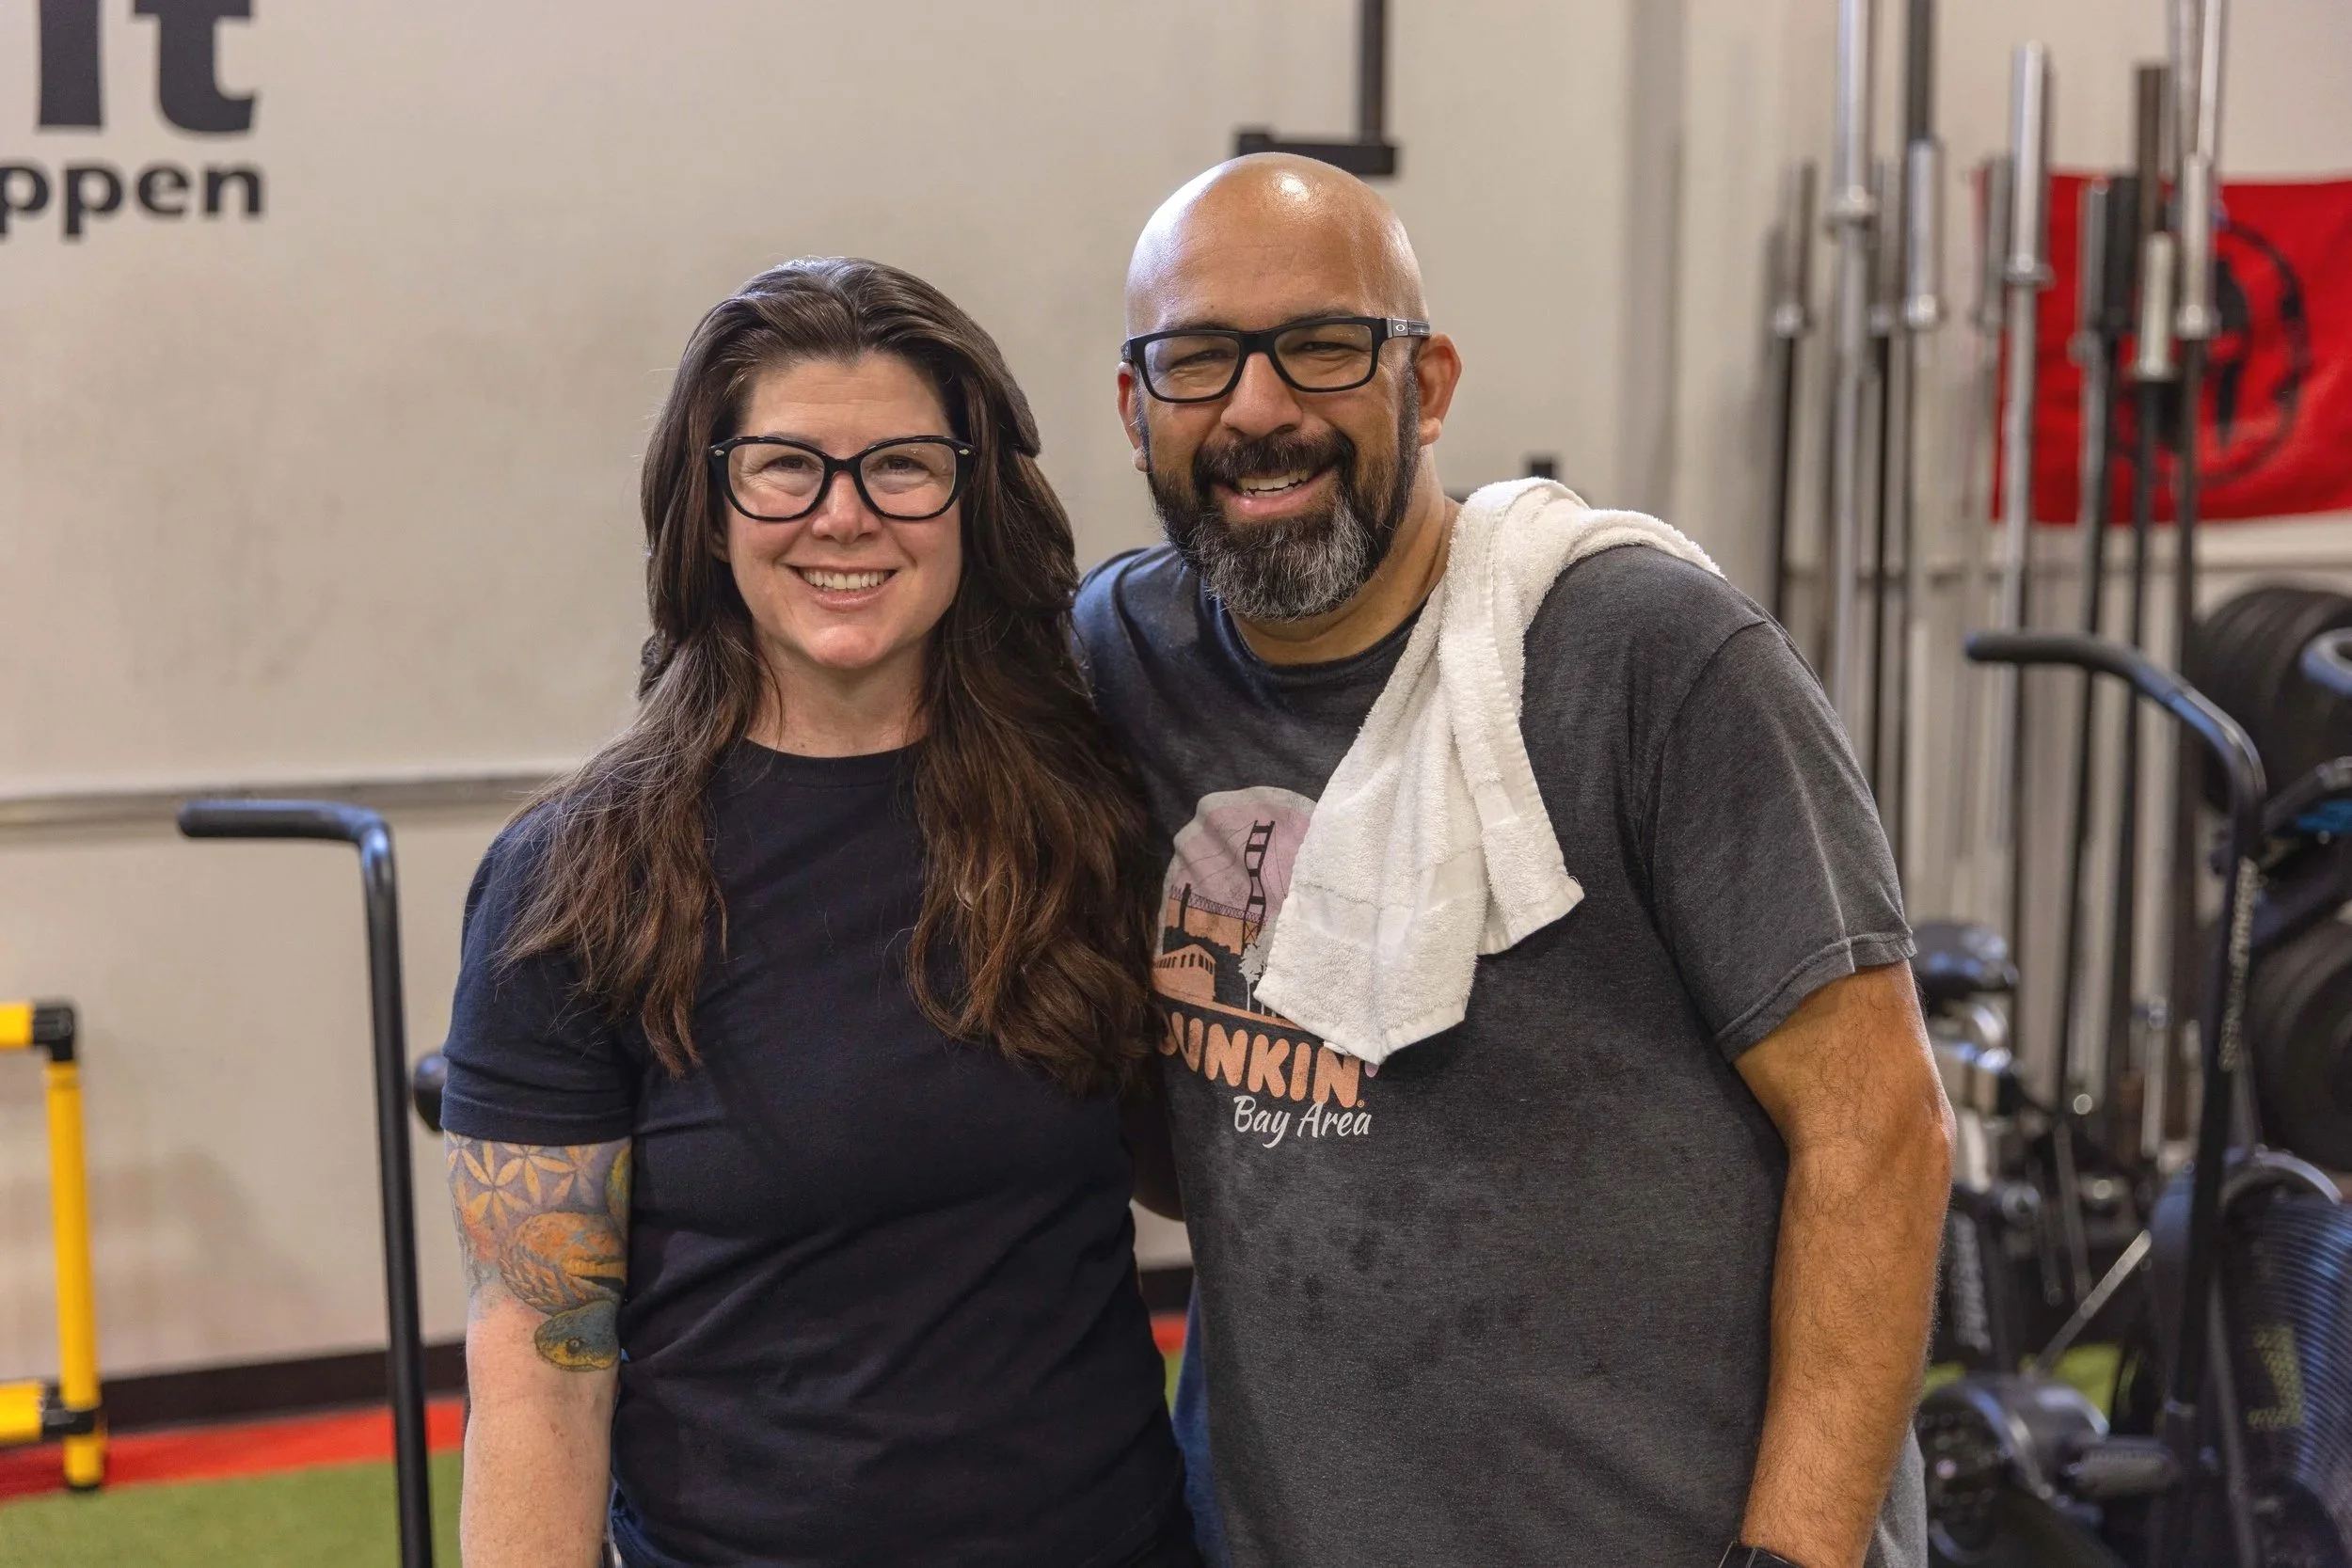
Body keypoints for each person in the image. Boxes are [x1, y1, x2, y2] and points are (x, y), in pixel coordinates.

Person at [1075, 156, 1954, 1568]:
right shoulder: (1120, 663)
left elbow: (1881, 1129)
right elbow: (1205, 1156)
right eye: (1198, 359)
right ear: (1136, 410)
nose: (1257, 407)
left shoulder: (1649, 659)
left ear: (1426, 386)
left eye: (1323, 345)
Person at [437, 258, 1194, 1568]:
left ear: (971, 500)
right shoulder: (577, 883)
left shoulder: (1087, 814)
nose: (844, 516)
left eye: (901, 466)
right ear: (710, 508)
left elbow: (1192, 1170)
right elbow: (541, 1374)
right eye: (785, 467)